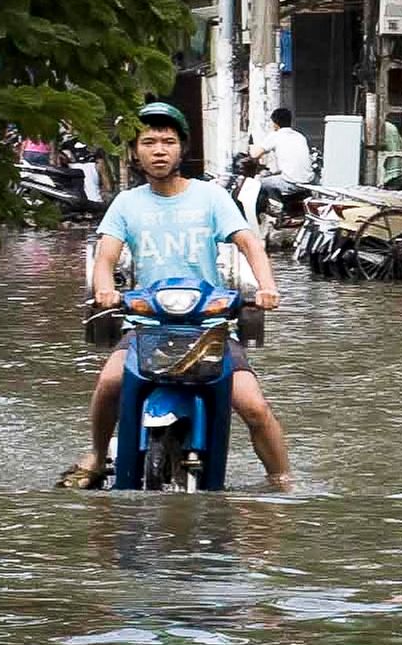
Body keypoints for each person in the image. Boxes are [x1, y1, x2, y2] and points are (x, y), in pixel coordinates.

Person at [57, 103, 292, 490]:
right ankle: (98, 455)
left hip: (210, 327)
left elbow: (249, 242)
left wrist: (268, 286)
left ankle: (282, 479)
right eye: (148, 142)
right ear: (136, 152)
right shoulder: (126, 204)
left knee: (253, 406)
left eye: (168, 141)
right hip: (146, 325)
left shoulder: (211, 197)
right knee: (108, 385)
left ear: (182, 148)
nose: (159, 149)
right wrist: (104, 288)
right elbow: (106, 257)